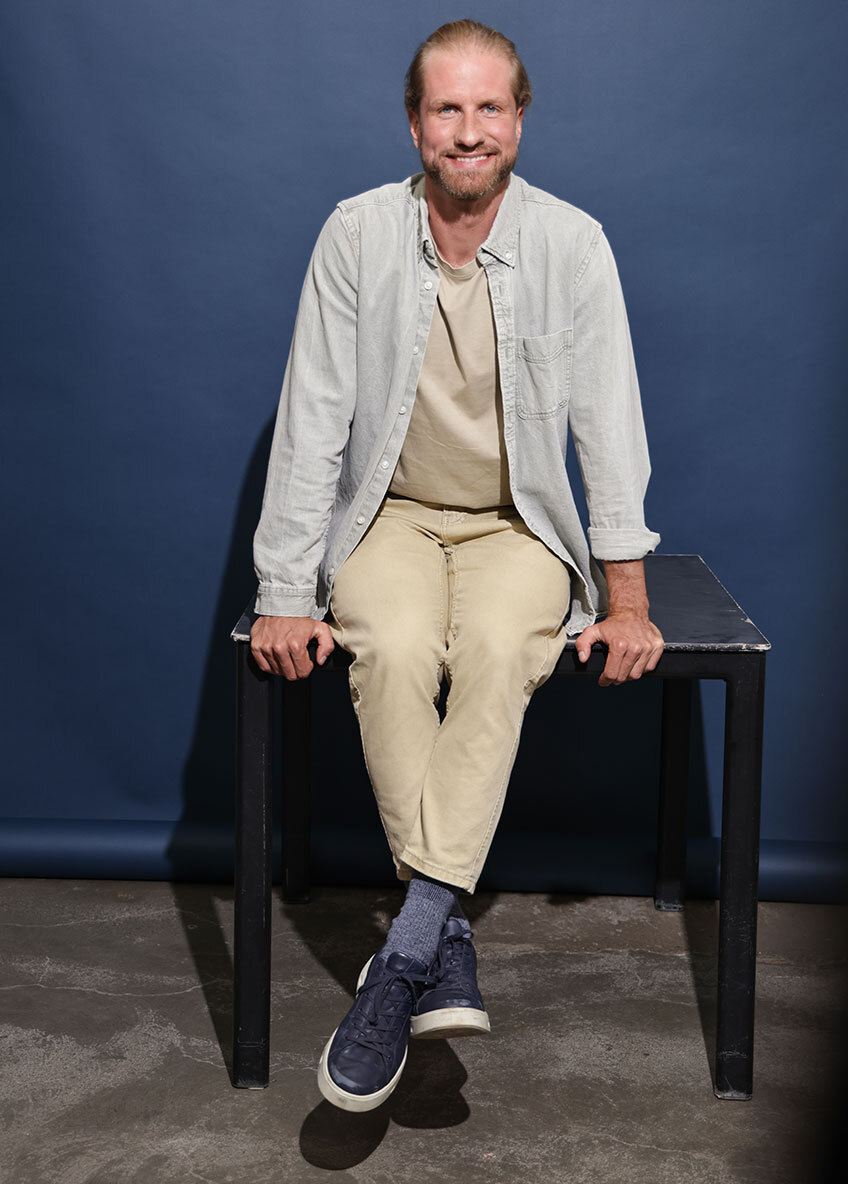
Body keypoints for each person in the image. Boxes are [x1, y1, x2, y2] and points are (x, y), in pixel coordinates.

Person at [250, 19, 664, 1112]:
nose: (468, 130)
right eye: (447, 108)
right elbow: (312, 421)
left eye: (489, 107)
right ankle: (441, 938)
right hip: (388, 516)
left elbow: (608, 429)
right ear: (414, 123)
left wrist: (627, 600)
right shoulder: (355, 235)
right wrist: (284, 593)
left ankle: (406, 950)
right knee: (387, 648)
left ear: (518, 120)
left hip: (517, 526)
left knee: (494, 650)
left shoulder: (573, 244)